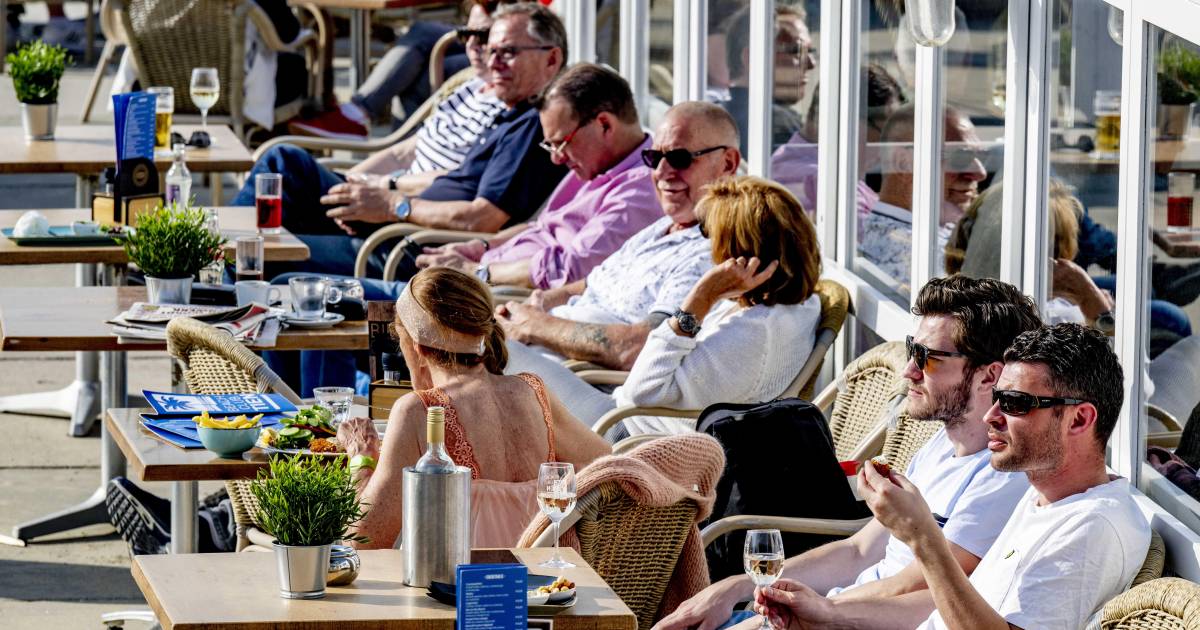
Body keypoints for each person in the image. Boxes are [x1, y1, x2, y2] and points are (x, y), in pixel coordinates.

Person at [654, 275, 1041, 630]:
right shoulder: (942, 444)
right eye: (912, 350)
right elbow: (859, 550)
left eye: (929, 358)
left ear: (989, 376)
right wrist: (739, 586)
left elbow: (916, 588)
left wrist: (780, 611)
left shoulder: (1003, 475)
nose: (909, 370)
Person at [266, 62, 660, 397]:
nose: (557, 157)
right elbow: (538, 228)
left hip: (480, 304)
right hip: (462, 276)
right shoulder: (599, 167)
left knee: (316, 301)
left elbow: (567, 266)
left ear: (604, 124)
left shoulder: (638, 189)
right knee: (291, 291)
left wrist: (478, 272)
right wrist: (476, 248)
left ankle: (312, 450)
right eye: (551, 146)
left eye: (562, 143)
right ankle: (285, 435)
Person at [752, 323, 1151, 630]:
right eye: (996, 398)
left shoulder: (1091, 525)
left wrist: (922, 536)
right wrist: (826, 613)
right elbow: (948, 606)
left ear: (1079, 418)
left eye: (1014, 404)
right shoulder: (1043, 496)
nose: (992, 417)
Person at [240, 2, 568, 275]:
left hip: (405, 247)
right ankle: (212, 256)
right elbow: (447, 176)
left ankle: (212, 288)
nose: (491, 61)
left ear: (551, 59)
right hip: (391, 223)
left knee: (261, 255)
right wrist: (370, 188)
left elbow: (480, 218)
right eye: (489, 48)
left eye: (507, 52)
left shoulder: (536, 125)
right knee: (284, 163)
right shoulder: (509, 113)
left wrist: (391, 204)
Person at [501, 176, 825, 436]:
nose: (707, 246)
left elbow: (641, 395)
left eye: (711, 235)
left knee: (493, 348)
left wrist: (700, 298)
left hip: (626, 434)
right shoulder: (791, 303)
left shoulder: (754, 332)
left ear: (741, 254)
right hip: (631, 416)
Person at [336, 268, 610, 550]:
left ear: (417, 348)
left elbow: (360, 544)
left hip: (460, 587)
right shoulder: (533, 392)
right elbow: (608, 470)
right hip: (548, 583)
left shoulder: (420, 412)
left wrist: (361, 458)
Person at [495, 101, 739, 388]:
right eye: (653, 157)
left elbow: (641, 348)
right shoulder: (665, 226)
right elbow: (595, 282)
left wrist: (536, 326)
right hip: (540, 356)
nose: (661, 172)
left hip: (577, 383)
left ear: (728, 164)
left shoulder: (711, 251)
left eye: (679, 158)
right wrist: (543, 301)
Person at [289, 0, 495, 139]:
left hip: (507, 42)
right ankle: (357, 115)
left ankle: (400, 152)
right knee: (421, 32)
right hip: (489, 24)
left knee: (417, 74)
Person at [857, 104, 990, 290]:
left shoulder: (874, 231)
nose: (980, 173)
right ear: (904, 163)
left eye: (982, 156)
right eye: (960, 157)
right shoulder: (923, 258)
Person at [720, 5, 815, 156]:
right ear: (752, 57)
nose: (811, 64)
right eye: (795, 50)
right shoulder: (777, 122)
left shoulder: (717, 117)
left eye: (810, 52)